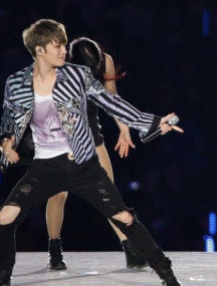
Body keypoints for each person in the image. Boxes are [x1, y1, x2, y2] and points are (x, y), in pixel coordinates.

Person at [0, 19, 182, 286]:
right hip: (44, 168)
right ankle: (2, 276)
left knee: (124, 216)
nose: (63, 50)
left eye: (64, 45)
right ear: (39, 50)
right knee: (4, 217)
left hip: (81, 165)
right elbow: (8, 121)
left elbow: (112, 102)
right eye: (57, 46)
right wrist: (6, 143)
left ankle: (167, 275)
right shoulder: (16, 83)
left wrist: (151, 122)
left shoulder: (78, 75)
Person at [39, 37, 147, 271]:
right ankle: (55, 251)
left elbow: (112, 97)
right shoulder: (55, 65)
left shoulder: (104, 61)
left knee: (108, 191)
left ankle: (129, 247)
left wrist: (124, 129)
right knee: (58, 194)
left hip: (90, 133)